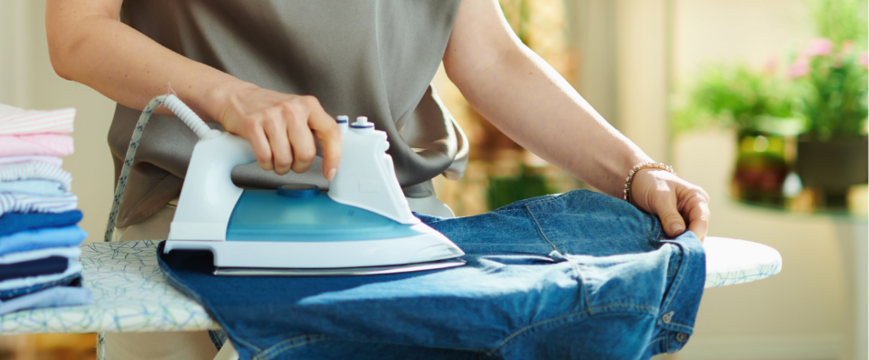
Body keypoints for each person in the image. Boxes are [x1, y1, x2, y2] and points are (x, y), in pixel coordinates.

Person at [47, 0, 711, 358]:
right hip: (193, 212)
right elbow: (77, 34)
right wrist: (233, 100)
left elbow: (490, 57)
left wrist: (636, 172)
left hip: (393, 215)